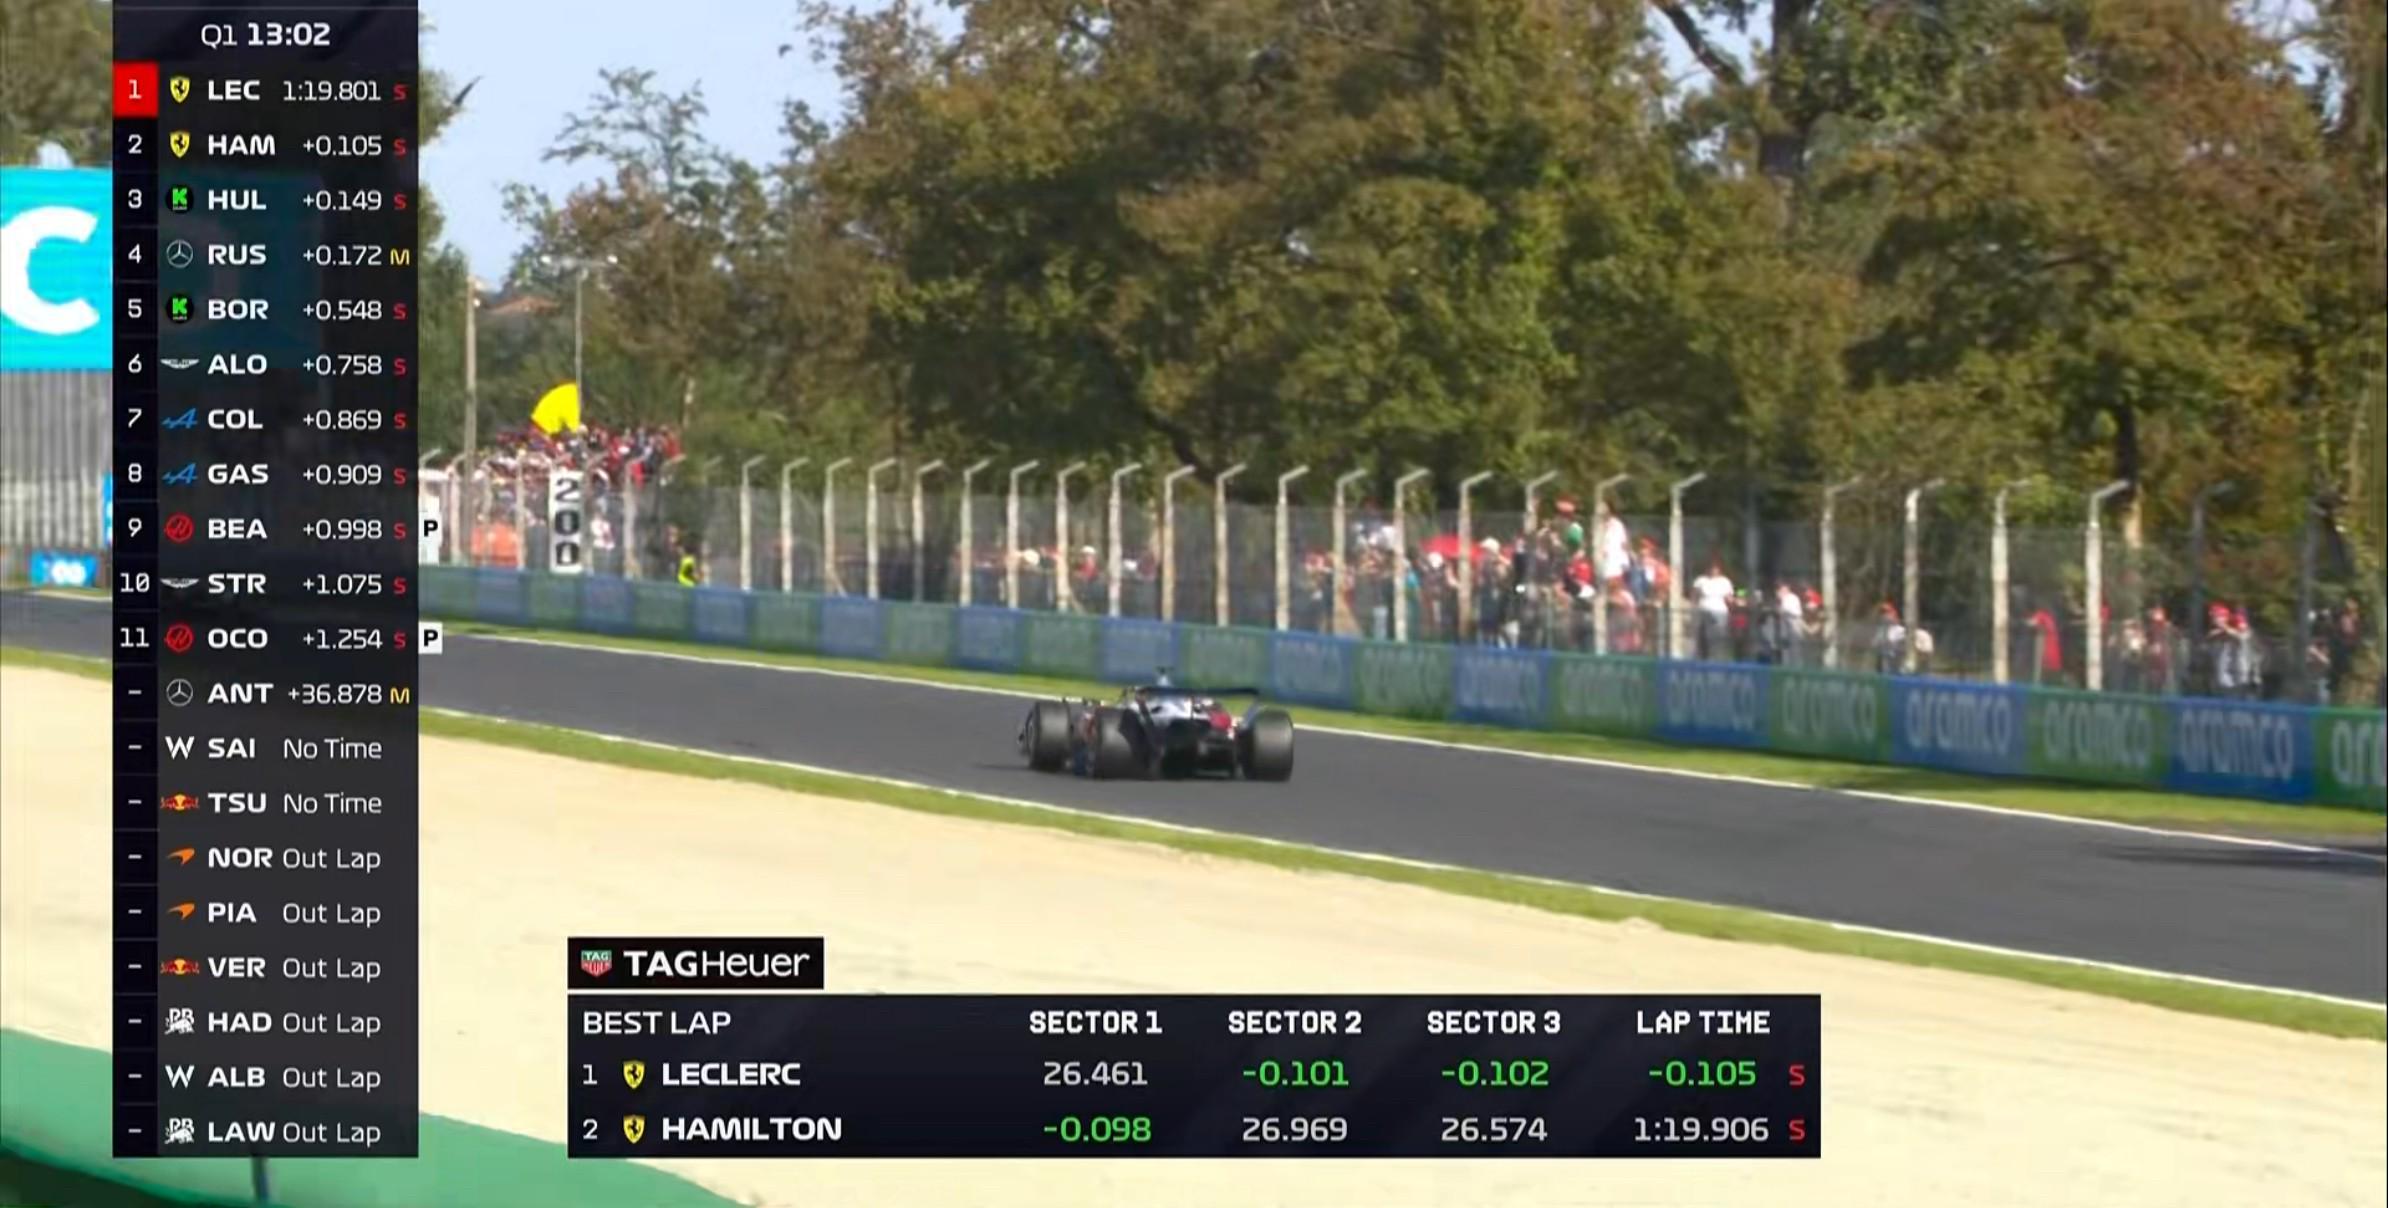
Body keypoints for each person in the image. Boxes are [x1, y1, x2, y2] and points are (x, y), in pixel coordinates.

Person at [1690, 560, 1734, 661]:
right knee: (1703, 635)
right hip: (1704, 609)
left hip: (1720, 611)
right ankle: (1702, 656)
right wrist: (1693, 607)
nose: (1713, 570)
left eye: (1715, 568)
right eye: (1711, 568)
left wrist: (1735, 604)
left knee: (1719, 635)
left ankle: (1718, 656)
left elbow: (1729, 598)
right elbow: (1694, 595)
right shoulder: (1701, 580)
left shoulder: (1724, 581)